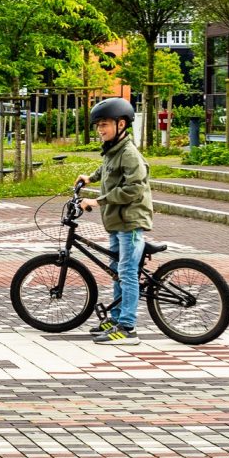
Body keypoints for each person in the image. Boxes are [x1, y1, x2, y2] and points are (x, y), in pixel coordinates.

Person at [75, 97, 153, 345]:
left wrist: (98, 201)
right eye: (98, 125)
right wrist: (89, 178)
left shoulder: (130, 154)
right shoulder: (113, 150)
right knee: (117, 272)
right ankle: (117, 318)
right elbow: (107, 171)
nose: (100, 129)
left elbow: (134, 189)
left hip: (130, 222)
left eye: (104, 124)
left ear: (121, 124)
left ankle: (128, 328)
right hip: (116, 222)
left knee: (127, 272)